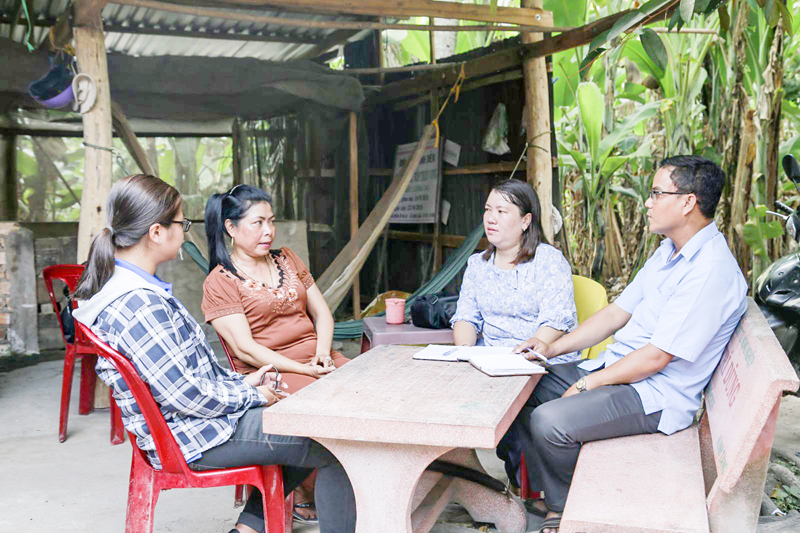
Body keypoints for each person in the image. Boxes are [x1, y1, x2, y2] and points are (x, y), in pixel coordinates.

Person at [72, 175, 355, 533]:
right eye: (181, 223)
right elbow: (184, 394)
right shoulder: (140, 302)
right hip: (195, 433)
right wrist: (252, 393)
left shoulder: (133, 290)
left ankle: (248, 529)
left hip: (190, 423)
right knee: (334, 445)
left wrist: (244, 380)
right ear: (157, 232)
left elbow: (187, 374)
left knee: (315, 429)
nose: (184, 230)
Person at [512, 156, 747, 533]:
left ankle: (568, 511)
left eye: (656, 193)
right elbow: (615, 313)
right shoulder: (668, 252)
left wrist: (588, 383)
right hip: (621, 371)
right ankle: (551, 495)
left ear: (688, 202)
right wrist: (549, 349)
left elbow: (657, 358)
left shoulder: (710, 271)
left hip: (654, 396)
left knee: (550, 421)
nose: (648, 202)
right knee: (523, 387)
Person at [201, 184, 348, 522]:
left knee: (368, 390)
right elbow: (245, 349)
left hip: (318, 361)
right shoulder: (220, 281)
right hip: (271, 373)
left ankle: (366, 489)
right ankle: (311, 495)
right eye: (257, 223)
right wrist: (306, 370)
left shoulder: (287, 258)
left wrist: (323, 355)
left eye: (272, 221)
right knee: (338, 408)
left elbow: (323, 313)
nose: (268, 231)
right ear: (231, 228)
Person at [449, 179, 578, 493]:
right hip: (494, 363)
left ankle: (534, 490)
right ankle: (503, 483)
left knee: (515, 407)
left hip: (545, 361)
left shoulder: (547, 261)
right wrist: (465, 351)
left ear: (525, 220)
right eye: (488, 210)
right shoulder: (477, 266)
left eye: (502, 211)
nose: (490, 218)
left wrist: (528, 352)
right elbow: (466, 317)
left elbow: (556, 322)